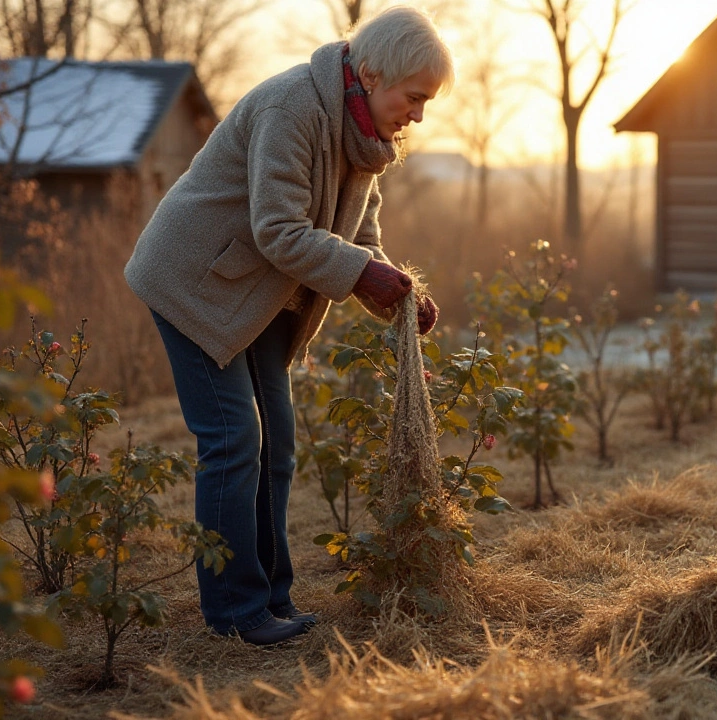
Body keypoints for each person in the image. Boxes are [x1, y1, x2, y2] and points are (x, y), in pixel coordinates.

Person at [124, 6, 451, 646]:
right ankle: (234, 610)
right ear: (375, 73)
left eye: (426, 102)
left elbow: (360, 232)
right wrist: (362, 274)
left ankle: (272, 598)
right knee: (233, 441)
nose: (418, 115)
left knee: (279, 443)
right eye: (414, 98)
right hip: (195, 282)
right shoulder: (292, 108)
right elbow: (279, 229)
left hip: (264, 294)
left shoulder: (366, 139)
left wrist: (394, 291)